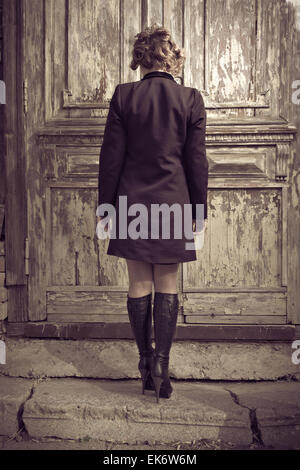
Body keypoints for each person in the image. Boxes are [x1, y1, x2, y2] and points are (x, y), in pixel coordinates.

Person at [97, 24, 208, 403]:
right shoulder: (190, 99)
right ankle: (162, 367)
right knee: (168, 285)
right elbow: (196, 162)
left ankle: (144, 364)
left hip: (132, 203)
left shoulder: (124, 96)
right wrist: (199, 209)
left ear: (139, 60)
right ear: (172, 59)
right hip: (174, 202)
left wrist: (105, 205)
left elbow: (111, 158)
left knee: (138, 285)